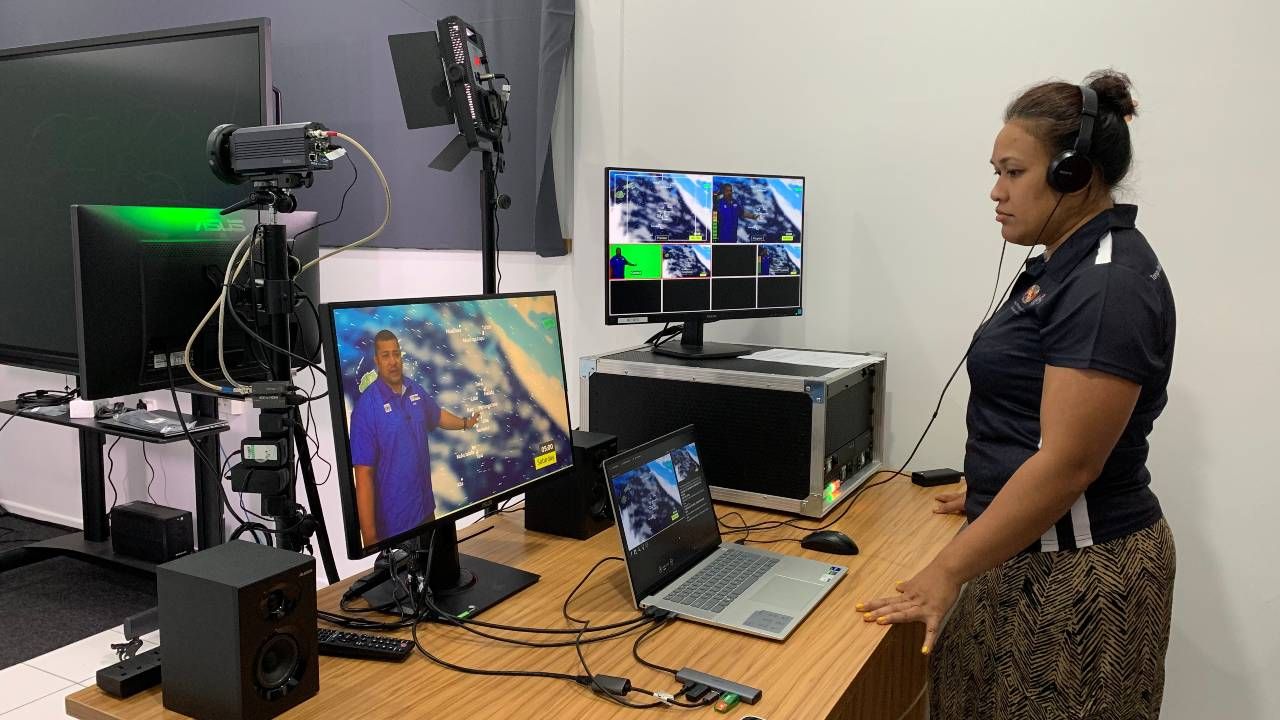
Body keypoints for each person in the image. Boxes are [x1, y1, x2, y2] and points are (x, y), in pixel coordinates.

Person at [859, 70, 1176, 719]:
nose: (995, 192)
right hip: (1024, 551)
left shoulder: (1106, 286)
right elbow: (1031, 409)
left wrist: (945, 570)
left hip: (1080, 577)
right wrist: (987, 485)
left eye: (1012, 172)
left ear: (1072, 174)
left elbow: (1069, 463)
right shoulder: (1062, 264)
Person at [348, 329, 480, 546]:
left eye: (396, 354)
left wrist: (465, 423)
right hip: (396, 527)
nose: (393, 361)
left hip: (427, 512)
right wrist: (370, 538)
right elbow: (363, 477)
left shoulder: (414, 389)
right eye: (386, 355)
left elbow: (436, 416)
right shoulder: (366, 409)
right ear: (376, 361)